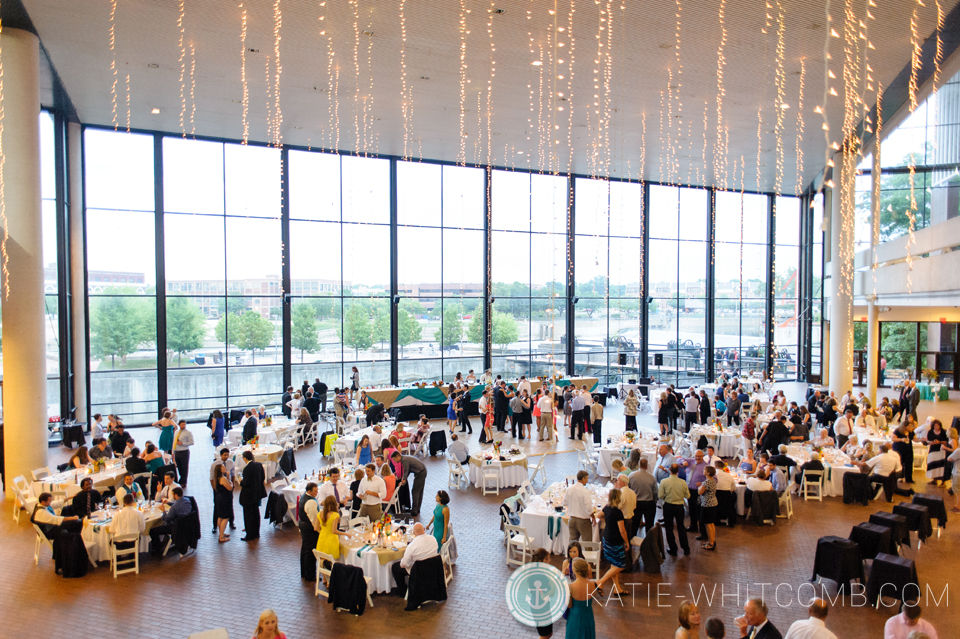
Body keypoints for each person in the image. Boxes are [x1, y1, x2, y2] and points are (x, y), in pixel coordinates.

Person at [390, 522, 439, 598]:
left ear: (413, 533)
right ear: (424, 529)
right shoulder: (433, 539)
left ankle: (402, 591)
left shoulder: (412, 545)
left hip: (419, 572)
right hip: (433, 568)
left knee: (395, 567)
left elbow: (404, 564)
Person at [149, 486, 192, 555]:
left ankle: (157, 548)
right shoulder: (187, 501)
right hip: (186, 525)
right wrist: (169, 503)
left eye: (173, 494)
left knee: (152, 530)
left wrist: (163, 511)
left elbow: (167, 519)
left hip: (176, 527)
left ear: (176, 495)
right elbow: (179, 506)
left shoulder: (174, 507)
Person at [659, 463, 691, 556]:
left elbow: (660, 495)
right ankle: (686, 548)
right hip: (679, 506)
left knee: (669, 528)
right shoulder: (682, 482)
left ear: (669, 470)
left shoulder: (664, 482)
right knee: (681, 527)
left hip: (668, 506)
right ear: (678, 471)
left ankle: (673, 548)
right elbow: (687, 495)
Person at [565, 558, 597, 639]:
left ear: (575, 570)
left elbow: (569, 605)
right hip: (588, 616)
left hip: (575, 617)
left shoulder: (571, 587)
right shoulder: (593, 584)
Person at [239, 450, 267, 541]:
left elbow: (246, 483)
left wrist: (240, 481)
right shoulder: (258, 465)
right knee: (256, 513)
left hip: (248, 496)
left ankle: (250, 534)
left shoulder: (247, 469)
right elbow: (263, 477)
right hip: (257, 493)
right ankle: (256, 532)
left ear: (245, 458)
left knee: (248, 515)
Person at [562, 471, 595, 542]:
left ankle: (570, 553)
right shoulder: (585, 491)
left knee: (573, 544)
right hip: (584, 521)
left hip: (572, 520)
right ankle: (587, 554)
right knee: (587, 543)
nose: (587, 481)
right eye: (586, 479)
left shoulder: (569, 489)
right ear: (583, 479)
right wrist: (593, 517)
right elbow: (589, 508)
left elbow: (564, 503)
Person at [629, 457, 658, 534]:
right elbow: (655, 492)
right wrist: (654, 502)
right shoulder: (652, 477)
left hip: (636, 502)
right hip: (649, 503)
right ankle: (648, 543)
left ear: (639, 465)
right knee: (649, 525)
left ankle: (631, 541)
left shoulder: (632, 475)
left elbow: (628, 488)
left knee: (634, 524)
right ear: (647, 466)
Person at [393, 451, 428, 516]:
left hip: (420, 473)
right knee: (419, 491)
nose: (394, 461)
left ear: (398, 456)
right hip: (422, 471)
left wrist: (403, 479)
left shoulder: (404, 460)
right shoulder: (405, 458)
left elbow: (406, 471)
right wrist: (404, 480)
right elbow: (408, 471)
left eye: (394, 459)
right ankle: (417, 509)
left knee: (415, 491)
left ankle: (414, 510)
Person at [210, 448, 236, 532]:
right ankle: (215, 526)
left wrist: (232, 485)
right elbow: (211, 478)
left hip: (227, 488)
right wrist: (215, 489)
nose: (226, 457)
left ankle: (231, 522)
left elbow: (233, 474)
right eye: (224, 455)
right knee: (217, 506)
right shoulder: (215, 464)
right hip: (219, 489)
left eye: (227, 455)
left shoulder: (231, 463)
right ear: (220, 455)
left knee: (230, 504)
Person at [315, 495, 348, 559]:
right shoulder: (335, 515)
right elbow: (334, 531)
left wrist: (323, 530)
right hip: (331, 540)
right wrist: (345, 533)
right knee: (331, 560)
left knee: (322, 559)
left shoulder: (320, 513)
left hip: (322, 538)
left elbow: (316, 528)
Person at [698, 465, 718, 550]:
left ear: (708, 473)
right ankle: (712, 540)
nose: (703, 471)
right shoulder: (713, 480)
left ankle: (711, 543)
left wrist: (699, 486)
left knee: (708, 524)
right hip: (713, 503)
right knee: (711, 524)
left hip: (707, 505)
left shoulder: (706, 482)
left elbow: (700, 492)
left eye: (705, 470)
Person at [922, 419, 949, 484]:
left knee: (941, 465)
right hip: (933, 449)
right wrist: (930, 442)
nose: (936, 427)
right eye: (935, 426)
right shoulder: (930, 432)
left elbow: (947, 441)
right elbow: (927, 440)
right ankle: (934, 479)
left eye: (938, 426)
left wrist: (939, 442)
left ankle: (943, 481)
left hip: (941, 450)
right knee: (933, 464)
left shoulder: (943, 432)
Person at [214, 463, 234, 542]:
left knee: (220, 516)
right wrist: (231, 484)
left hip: (219, 499)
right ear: (220, 470)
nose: (224, 467)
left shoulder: (217, 478)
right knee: (225, 517)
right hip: (224, 499)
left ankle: (221, 532)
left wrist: (228, 476)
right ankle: (221, 537)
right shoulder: (222, 479)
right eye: (223, 467)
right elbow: (229, 488)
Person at [892, 418, 916, 483]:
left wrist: (921, 439)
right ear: (904, 426)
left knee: (909, 463)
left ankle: (909, 478)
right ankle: (900, 477)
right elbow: (893, 438)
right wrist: (901, 439)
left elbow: (915, 439)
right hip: (899, 448)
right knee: (900, 462)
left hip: (908, 449)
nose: (910, 427)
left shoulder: (911, 432)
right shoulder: (898, 431)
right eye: (909, 426)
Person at [172, 419, 194, 488]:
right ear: (179, 425)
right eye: (182, 424)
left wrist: (183, 443)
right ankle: (181, 478)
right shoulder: (176, 432)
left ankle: (183, 481)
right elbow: (174, 441)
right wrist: (173, 452)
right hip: (177, 451)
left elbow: (192, 442)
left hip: (184, 451)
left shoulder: (188, 433)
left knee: (184, 467)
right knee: (179, 466)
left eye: (184, 424)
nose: (183, 426)